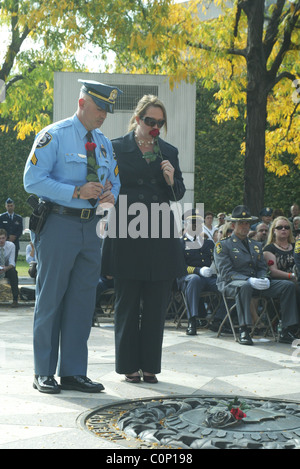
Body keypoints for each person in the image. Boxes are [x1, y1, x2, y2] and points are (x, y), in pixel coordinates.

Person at [23, 79, 122, 394]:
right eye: (99, 108)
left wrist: (110, 195)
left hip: (92, 228)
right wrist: (75, 191)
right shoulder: (54, 136)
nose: (103, 115)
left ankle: (74, 372)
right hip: (59, 225)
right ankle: (44, 371)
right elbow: (32, 180)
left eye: (107, 110)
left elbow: (115, 181)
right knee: (51, 299)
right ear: (82, 104)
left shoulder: (104, 143)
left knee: (82, 301)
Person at [101, 94, 186, 384]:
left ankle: (150, 365)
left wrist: (172, 179)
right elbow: (107, 187)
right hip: (127, 231)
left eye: (160, 123)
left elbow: (178, 195)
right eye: (150, 121)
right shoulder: (115, 148)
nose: (155, 127)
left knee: (155, 305)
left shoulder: (169, 151)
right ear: (137, 119)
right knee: (127, 303)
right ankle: (128, 365)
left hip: (160, 234)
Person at [214, 205, 299, 346]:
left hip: (255, 282)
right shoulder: (223, 245)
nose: (245, 226)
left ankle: (286, 329)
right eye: (241, 223)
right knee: (245, 286)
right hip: (232, 283)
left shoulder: (255, 245)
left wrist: (263, 277)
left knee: (287, 286)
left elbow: (261, 267)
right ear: (234, 225)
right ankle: (244, 329)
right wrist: (249, 280)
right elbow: (226, 273)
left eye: (247, 223)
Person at [177, 210, 219, 335]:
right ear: (186, 224)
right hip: (187, 278)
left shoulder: (208, 243)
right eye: (192, 222)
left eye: (199, 222)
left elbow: (216, 261)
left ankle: (220, 319)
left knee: (226, 283)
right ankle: (192, 320)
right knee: (194, 279)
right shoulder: (179, 243)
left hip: (208, 278)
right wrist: (198, 270)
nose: (196, 225)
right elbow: (179, 266)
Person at [0, 229, 19, 307]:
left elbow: (12, 263)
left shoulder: (11, 245)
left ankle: (15, 299)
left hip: (7, 269)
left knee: (13, 272)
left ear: (6, 238)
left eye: (3, 238)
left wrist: (5, 268)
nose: (1, 240)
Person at [0, 198, 23, 262]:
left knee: (13, 263)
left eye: (11, 205)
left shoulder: (19, 218)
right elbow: (1, 229)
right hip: (3, 243)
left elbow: (20, 230)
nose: (10, 207)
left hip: (15, 243)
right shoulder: (2, 217)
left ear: (14, 206)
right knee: (2, 262)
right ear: (5, 206)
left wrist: (14, 237)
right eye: (8, 206)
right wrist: (8, 237)